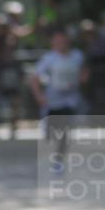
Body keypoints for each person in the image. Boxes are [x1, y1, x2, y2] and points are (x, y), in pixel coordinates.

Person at [31, 28, 88, 169]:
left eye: (63, 40)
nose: (61, 43)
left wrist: (82, 79)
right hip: (52, 100)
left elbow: (84, 72)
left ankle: (59, 159)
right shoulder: (49, 58)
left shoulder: (77, 56)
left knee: (65, 130)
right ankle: (53, 152)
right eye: (57, 40)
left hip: (70, 99)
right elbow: (34, 78)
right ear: (53, 42)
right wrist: (39, 96)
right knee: (51, 132)